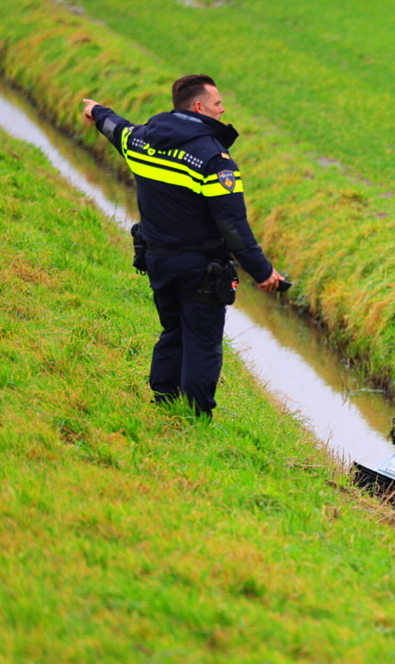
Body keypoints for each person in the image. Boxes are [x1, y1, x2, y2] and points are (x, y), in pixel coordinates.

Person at [82, 74, 284, 417]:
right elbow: (232, 224)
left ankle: (164, 400)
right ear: (199, 106)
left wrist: (98, 111)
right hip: (200, 269)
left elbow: (116, 128)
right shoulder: (214, 160)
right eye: (218, 104)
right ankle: (195, 416)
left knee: (173, 330)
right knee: (203, 343)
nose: (223, 110)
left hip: (157, 260)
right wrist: (263, 272)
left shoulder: (142, 139)